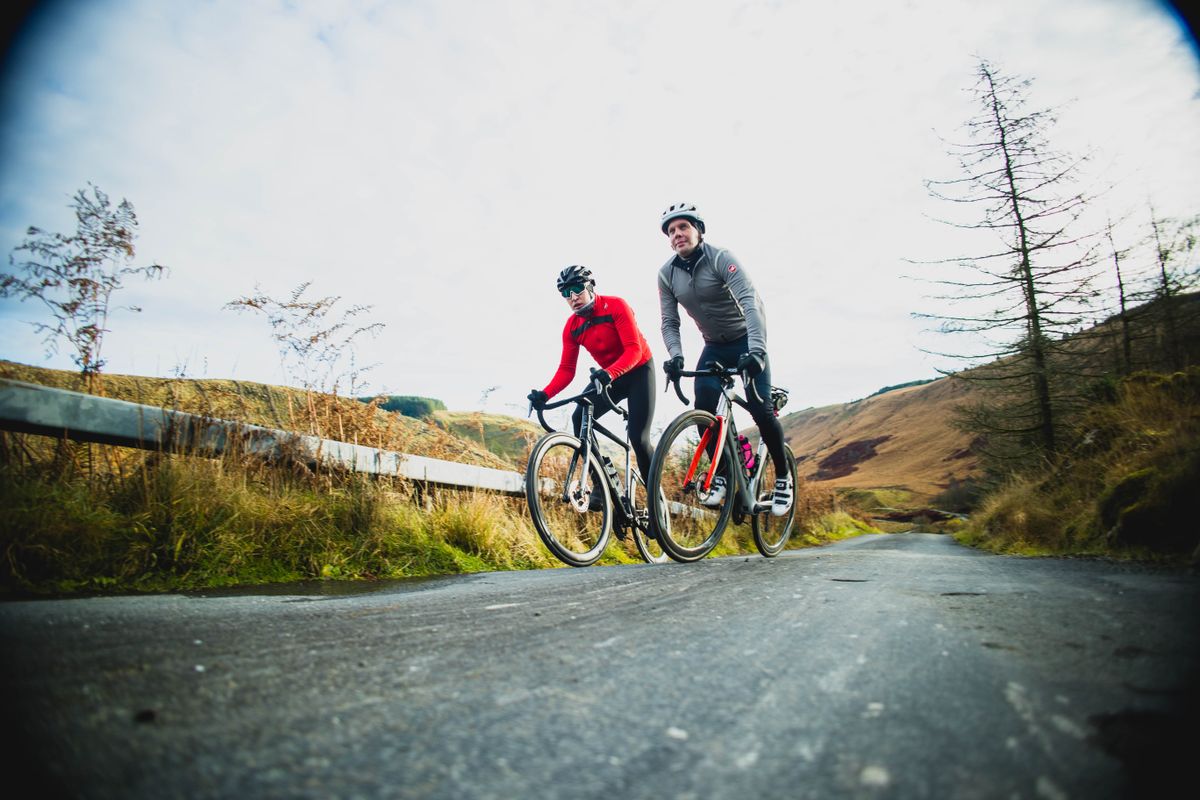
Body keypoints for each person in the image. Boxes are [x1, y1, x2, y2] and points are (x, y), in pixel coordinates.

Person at [656, 202, 793, 516]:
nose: (678, 234)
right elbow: (669, 322)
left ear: (699, 230)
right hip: (714, 346)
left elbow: (750, 301)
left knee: (760, 409)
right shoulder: (667, 274)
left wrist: (757, 351)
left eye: (684, 227)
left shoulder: (720, 258)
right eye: (672, 231)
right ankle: (724, 473)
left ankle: (783, 476)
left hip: (746, 340)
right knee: (703, 406)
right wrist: (676, 357)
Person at [528, 265, 657, 508]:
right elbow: (567, 370)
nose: (573, 298)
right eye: (566, 294)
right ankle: (602, 487)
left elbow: (633, 350)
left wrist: (609, 373)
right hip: (609, 377)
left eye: (577, 289)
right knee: (580, 418)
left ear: (590, 287)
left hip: (639, 370)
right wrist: (544, 394)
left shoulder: (616, 305)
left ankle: (655, 506)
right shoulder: (572, 327)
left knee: (638, 438)